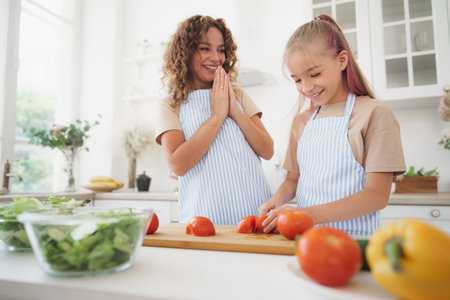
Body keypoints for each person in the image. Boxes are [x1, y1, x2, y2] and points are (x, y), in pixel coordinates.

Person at [259, 15, 406, 237]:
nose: (306, 87)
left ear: (342, 60)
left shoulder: (374, 113)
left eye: (314, 74)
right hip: (306, 243)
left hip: (355, 245)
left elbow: (377, 195)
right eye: (297, 80)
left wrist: (305, 214)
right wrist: (275, 200)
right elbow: (293, 180)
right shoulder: (301, 122)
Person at [155, 15, 273, 225]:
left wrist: (235, 111)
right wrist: (218, 116)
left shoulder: (237, 94)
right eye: (204, 48)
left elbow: (267, 150)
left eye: (220, 50)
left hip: (254, 212)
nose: (216, 58)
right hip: (204, 219)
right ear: (185, 52)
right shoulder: (170, 104)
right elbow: (178, 164)